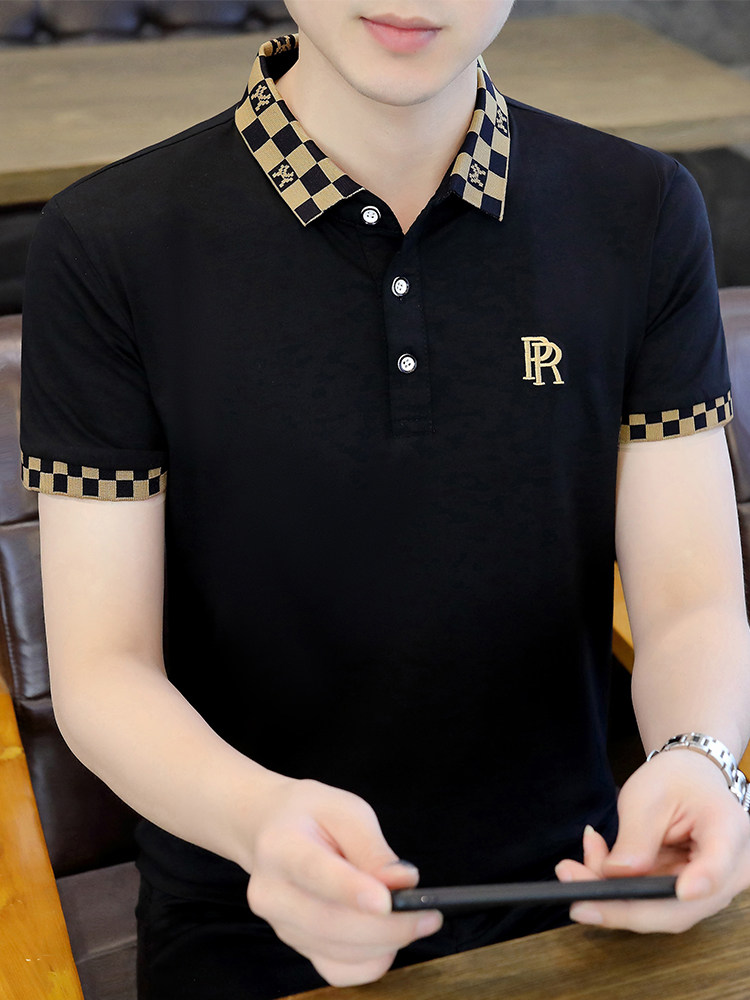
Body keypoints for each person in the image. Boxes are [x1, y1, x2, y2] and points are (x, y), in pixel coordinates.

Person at [20, 2, 750, 998]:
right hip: (248, 908)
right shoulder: (109, 241)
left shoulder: (643, 208)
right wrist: (261, 824)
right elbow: (104, 671)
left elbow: (691, 601)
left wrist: (701, 758)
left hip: (588, 889)